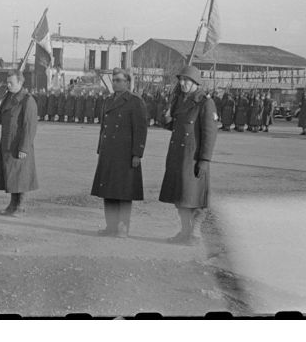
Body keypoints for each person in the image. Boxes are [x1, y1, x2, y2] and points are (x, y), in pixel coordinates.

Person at [159, 65, 217, 245]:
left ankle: (195, 234)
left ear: (195, 82)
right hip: (178, 155)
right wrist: (167, 116)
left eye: (186, 80)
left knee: (195, 198)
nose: (182, 83)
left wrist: (204, 160)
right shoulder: (180, 100)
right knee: (180, 197)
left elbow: (210, 134)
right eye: (181, 80)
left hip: (193, 157)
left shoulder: (204, 102)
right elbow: (174, 126)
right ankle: (185, 232)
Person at [91, 68, 147, 238]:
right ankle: (111, 226)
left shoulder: (135, 101)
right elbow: (104, 128)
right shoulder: (108, 100)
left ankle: (122, 228)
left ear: (127, 82)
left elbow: (140, 130)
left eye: (119, 80)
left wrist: (137, 154)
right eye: (114, 80)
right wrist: (101, 148)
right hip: (109, 153)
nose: (115, 83)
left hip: (125, 154)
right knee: (108, 191)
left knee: (123, 192)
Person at [0, 69, 38, 217]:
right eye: (7, 82)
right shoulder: (8, 98)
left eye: (11, 83)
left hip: (19, 144)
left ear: (20, 82)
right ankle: (12, 205)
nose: (8, 85)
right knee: (11, 175)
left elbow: (29, 126)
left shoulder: (27, 100)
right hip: (7, 143)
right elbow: (6, 121)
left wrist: (24, 148)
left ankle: (20, 206)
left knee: (20, 176)